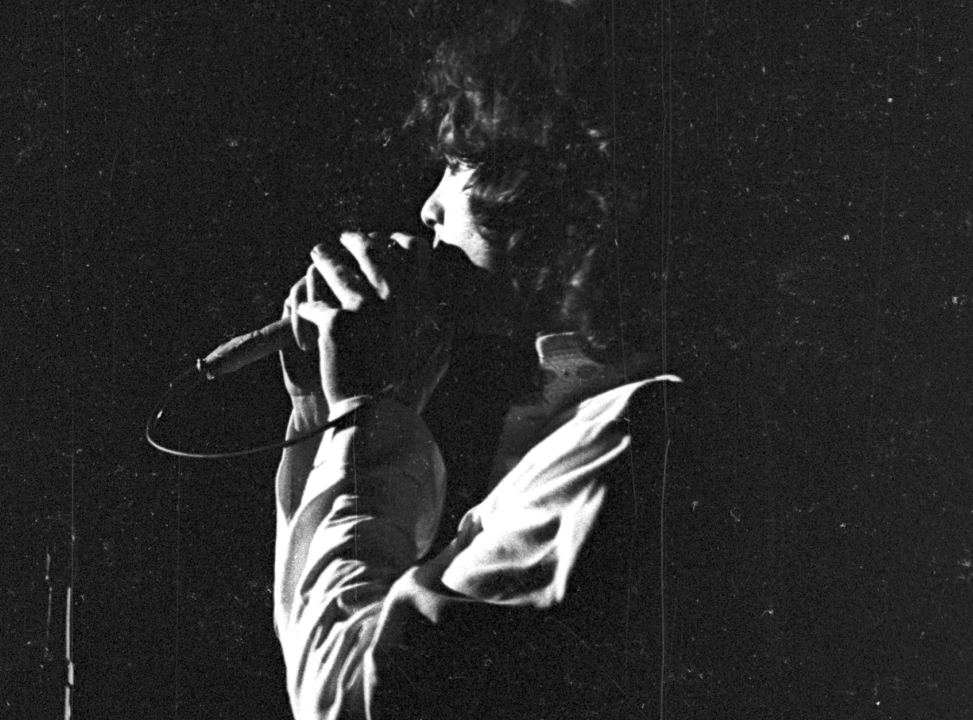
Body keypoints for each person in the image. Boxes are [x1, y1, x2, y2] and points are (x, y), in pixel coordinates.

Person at [273, 1, 677, 716]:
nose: (427, 209)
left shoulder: (630, 440)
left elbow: (348, 700)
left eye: (456, 165)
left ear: (545, 183)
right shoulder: (573, 428)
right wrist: (322, 416)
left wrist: (367, 419)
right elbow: (326, 642)